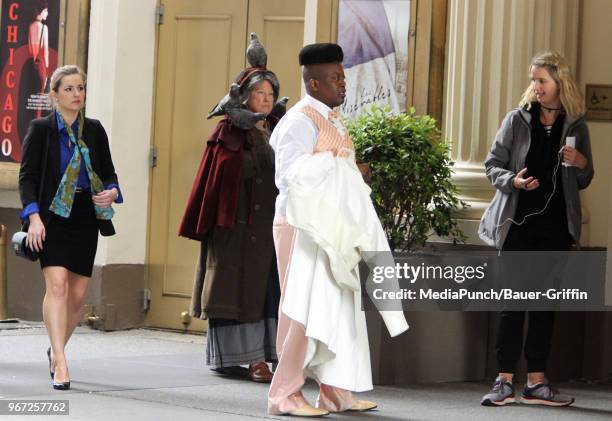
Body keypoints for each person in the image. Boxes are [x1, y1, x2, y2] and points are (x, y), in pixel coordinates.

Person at [267, 43, 408, 417]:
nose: (343, 84)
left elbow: (332, 169)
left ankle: (335, 393)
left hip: (331, 227)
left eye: (343, 76)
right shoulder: (298, 120)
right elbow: (289, 177)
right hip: (301, 226)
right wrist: (345, 169)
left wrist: (349, 171)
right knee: (300, 309)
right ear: (313, 83)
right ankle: (284, 394)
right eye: (334, 78)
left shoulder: (332, 117)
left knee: (339, 307)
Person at [479, 51, 593, 407]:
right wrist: (512, 179)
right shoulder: (516, 120)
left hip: (557, 228)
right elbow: (492, 164)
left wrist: (582, 163)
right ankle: (503, 380)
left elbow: (585, 179)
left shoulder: (576, 126)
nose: (535, 87)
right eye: (533, 80)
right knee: (513, 302)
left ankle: (537, 382)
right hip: (518, 225)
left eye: (541, 80)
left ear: (560, 84)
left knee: (544, 305)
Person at [179, 48, 282, 383]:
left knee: (264, 291)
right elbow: (223, 173)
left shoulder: (276, 127)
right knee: (236, 291)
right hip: (235, 228)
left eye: (270, 94)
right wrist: (260, 156)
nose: (266, 100)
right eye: (259, 93)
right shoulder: (230, 130)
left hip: (267, 228)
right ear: (246, 96)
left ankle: (266, 354)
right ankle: (246, 359)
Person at [19, 65, 123, 391]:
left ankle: (56, 347)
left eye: (80, 88)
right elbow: (28, 177)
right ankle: (61, 361)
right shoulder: (41, 130)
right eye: (69, 89)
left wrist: (112, 192)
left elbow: (109, 174)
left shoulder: (94, 130)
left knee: (77, 299)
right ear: (54, 95)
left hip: (84, 216)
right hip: (51, 217)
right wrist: (33, 218)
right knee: (59, 287)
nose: (77, 94)